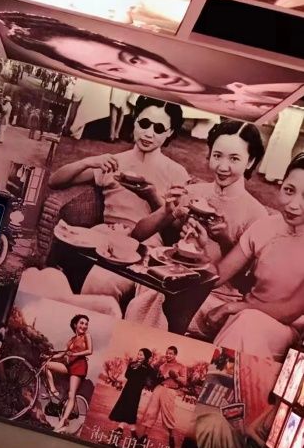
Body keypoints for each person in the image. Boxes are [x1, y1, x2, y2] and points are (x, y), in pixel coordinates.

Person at [0, 11, 300, 120]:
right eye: (115, 71)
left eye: (133, 60)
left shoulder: (243, 85)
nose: (150, 74)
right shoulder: (235, 104)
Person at [49, 97, 189, 311]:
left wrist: (152, 196)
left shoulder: (176, 172)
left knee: (102, 280)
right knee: (55, 272)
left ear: (169, 133)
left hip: (145, 246)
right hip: (104, 235)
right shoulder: (115, 162)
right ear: (135, 121)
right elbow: (55, 181)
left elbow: (178, 227)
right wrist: (87, 161)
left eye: (159, 128)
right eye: (144, 124)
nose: (149, 133)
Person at [133, 120, 269, 333]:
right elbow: (137, 235)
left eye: (234, 159)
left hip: (216, 296)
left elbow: (247, 284)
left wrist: (225, 240)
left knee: (161, 302)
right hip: (174, 280)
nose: (222, 167)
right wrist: (166, 210)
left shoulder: (257, 214)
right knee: (151, 294)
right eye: (217, 155)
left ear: (250, 161)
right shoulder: (194, 193)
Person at [182, 153, 304, 359]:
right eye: (289, 190)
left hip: (283, 328)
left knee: (247, 324)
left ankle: (213, 377)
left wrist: (232, 307)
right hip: (241, 313)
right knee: (165, 301)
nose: (293, 204)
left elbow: (288, 312)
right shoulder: (266, 226)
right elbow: (218, 276)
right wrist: (201, 249)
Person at [44, 314, 93, 434]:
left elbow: (90, 351)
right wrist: (50, 356)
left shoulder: (87, 336)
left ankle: (62, 422)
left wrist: (74, 354)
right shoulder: (71, 339)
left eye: (86, 324)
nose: (84, 326)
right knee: (47, 365)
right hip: (69, 366)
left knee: (72, 394)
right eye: (81, 323)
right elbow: (63, 354)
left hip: (79, 366)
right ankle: (53, 390)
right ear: (75, 325)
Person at [135, 345, 187, 448]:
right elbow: (157, 379)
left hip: (170, 391)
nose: (168, 355)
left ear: (175, 355)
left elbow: (184, 382)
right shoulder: (162, 366)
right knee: (150, 412)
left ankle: (171, 440)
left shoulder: (181, 366)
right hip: (159, 388)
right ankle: (144, 437)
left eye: (170, 353)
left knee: (168, 416)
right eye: (167, 353)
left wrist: (176, 376)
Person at [109, 348, 155, 438]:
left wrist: (142, 373)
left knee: (131, 409)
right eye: (138, 354)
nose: (139, 356)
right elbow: (127, 375)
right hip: (127, 389)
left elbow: (149, 380)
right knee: (124, 407)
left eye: (141, 355)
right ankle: (122, 428)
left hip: (136, 391)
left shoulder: (148, 368)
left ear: (146, 357)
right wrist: (133, 368)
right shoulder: (132, 364)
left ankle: (131, 431)